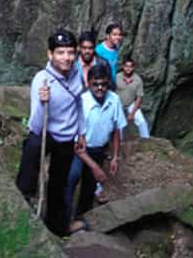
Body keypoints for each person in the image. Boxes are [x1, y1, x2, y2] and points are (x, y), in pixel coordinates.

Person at [16, 29, 87, 236]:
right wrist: (41, 102)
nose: (67, 58)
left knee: (59, 183)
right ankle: (23, 198)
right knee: (33, 147)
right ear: (50, 54)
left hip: (66, 137)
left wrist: (81, 133)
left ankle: (57, 225)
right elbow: (36, 125)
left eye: (70, 52)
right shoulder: (42, 80)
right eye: (61, 52)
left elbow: (79, 105)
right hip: (46, 132)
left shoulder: (77, 76)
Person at [65, 64, 127, 230]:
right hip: (80, 150)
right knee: (72, 176)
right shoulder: (82, 102)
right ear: (88, 83)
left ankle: (81, 220)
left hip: (98, 149)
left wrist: (115, 157)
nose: (100, 88)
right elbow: (76, 143)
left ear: (108, 83)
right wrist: (94, 167)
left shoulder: (114, 100)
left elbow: (115, 130)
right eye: (95, 84)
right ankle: (62, 220)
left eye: (103, 84)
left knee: (89, 186)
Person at [116, 58, 150, 138]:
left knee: (141, 122)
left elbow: (139, 97)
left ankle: (146, 140)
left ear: (133, 68)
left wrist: (132, 113)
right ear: (123, 67)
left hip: (131, 103)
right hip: (118, 103)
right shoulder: (117, 77)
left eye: (130, 66)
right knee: (118, 124)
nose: (128, 68)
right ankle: (119, 143)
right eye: (126, 66)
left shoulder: (138, 79)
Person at [94, 23, 123, 90]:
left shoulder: (116, 48)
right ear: (108, 36)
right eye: (114, 35)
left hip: (112, 85)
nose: (118, 37)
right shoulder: (99, 50)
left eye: (119, 35)